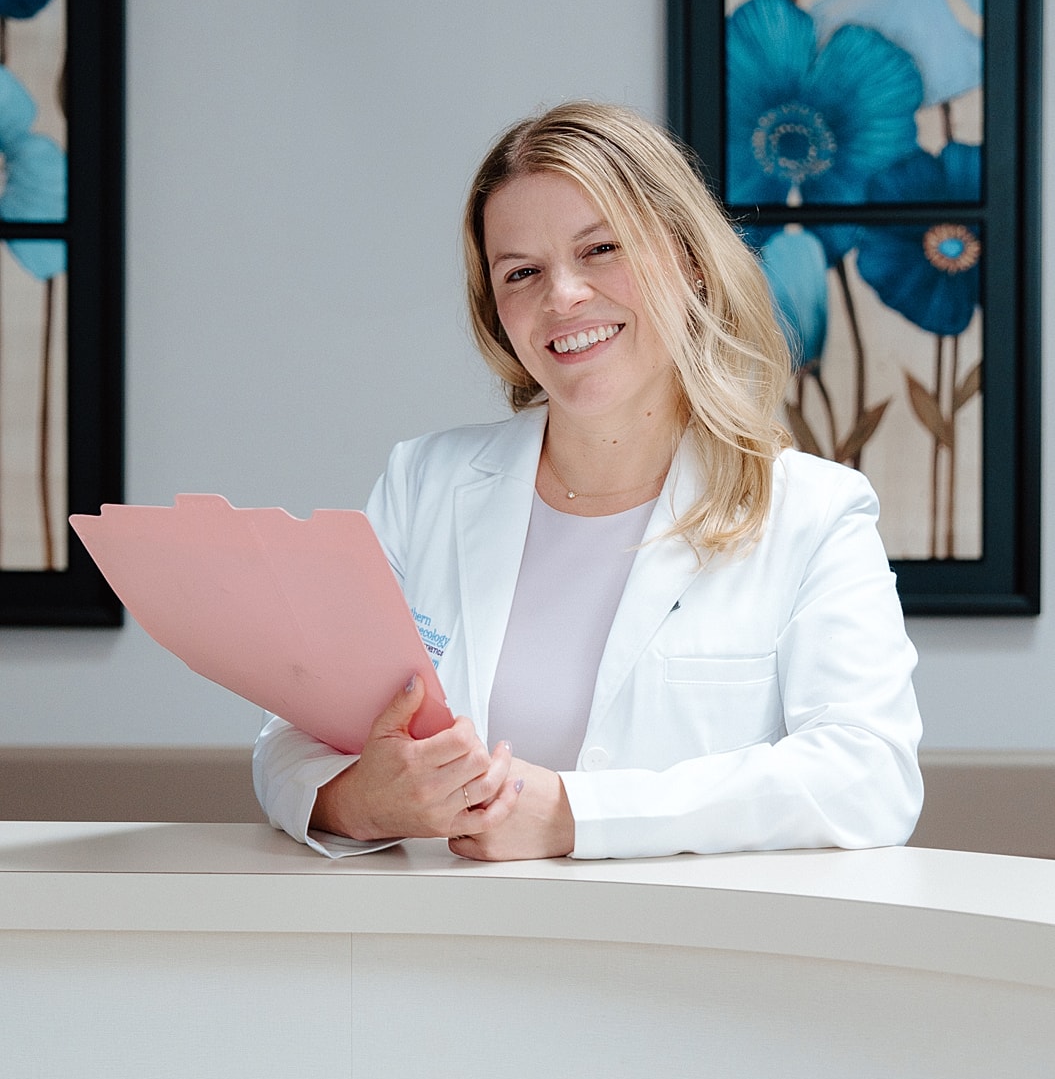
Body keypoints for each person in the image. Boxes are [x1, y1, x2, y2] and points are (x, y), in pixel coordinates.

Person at [254, 101, 922, 862]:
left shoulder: (814, 513)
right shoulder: (424, 484)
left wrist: (573, 815)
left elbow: (868, 780)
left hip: (683, 966)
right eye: (521, 272)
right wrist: (360, 802)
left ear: (691, 264)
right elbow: (294, 734)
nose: (561, 296)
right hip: (446, 958)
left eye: (600, 248)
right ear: (497, 312)